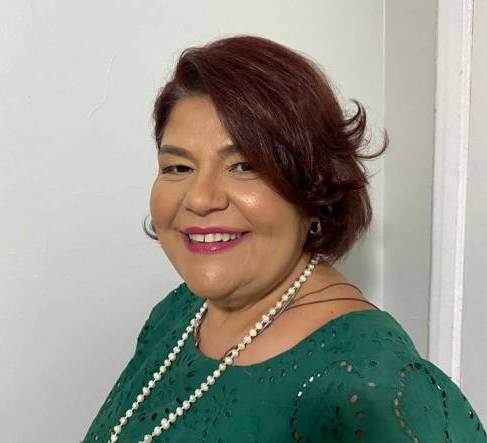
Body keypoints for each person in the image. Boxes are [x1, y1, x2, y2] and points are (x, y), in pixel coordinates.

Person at [82, 35, 486, 443]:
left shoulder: (371, 388)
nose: (200, 199)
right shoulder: (177, 314)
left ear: (315, 189)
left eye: (244, 166)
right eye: (178, 168)